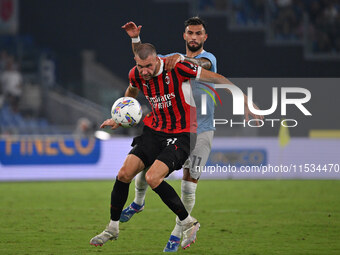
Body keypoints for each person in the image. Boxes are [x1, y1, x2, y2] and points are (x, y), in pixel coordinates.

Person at [90, 43, 262, 251]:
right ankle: (112, 228)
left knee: (153, 177)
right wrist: (119, 118)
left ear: (157, 60)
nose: (144, 71)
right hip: (155, 131)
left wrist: (244, 99)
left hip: (183, 133)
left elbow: (217, 78)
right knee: (124, 173)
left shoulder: (177, 68)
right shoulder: (136, 74)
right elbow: (131, 90)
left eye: (148, 66)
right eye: (140, 66)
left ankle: (189, 222)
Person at [121, 17, 219, 252]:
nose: (194, 37)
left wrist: (183, 59)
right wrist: (136, 38)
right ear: (184, 36)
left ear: (204, 37)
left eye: (199, 33)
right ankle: (137, 202)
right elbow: (145, 59)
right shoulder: (170, 59)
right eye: (190, 33)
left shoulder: (209, 59)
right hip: (173, 127)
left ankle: (177, 232)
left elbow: (202, 65)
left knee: (189, 184)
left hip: (202, 130)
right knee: (146, 166)